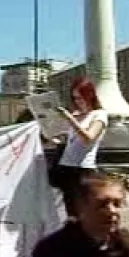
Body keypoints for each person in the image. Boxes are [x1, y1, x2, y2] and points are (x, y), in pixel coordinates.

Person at [50, 77, 108, 218]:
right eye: (75, 98)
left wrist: (70, 119)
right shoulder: (77, 115)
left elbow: (88, 138)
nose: (78, 101)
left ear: (90, 95)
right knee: (67, 211)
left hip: (83, 169)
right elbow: (71, 141)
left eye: (81, 97)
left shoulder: (99, 115)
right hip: (65, 166)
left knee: (81, 211)